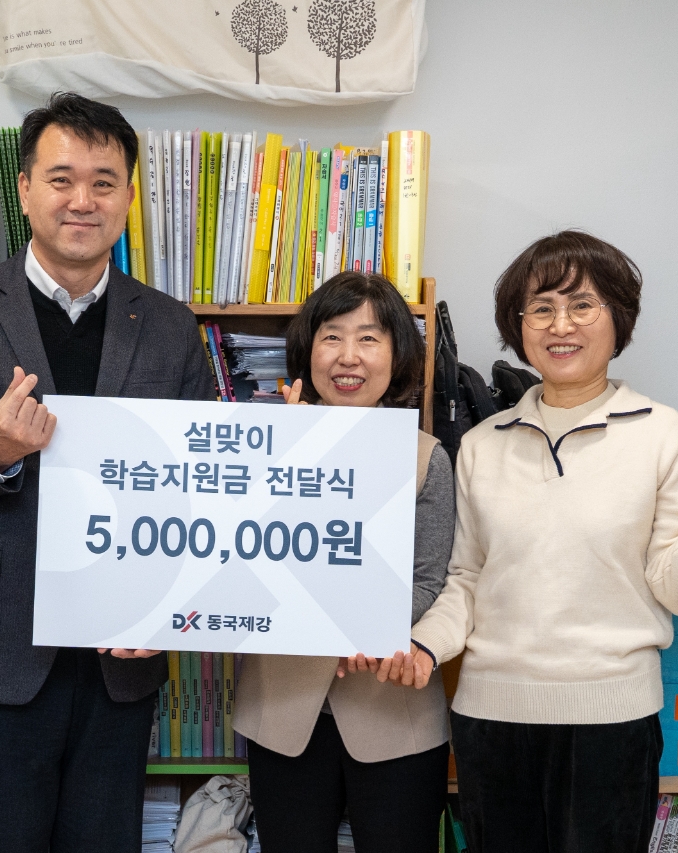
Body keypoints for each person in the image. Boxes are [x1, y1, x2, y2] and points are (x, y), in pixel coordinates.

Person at [0, 92, 216, 853]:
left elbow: (199, 483)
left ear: (128, 197)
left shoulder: (169, 325)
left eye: (104, 182)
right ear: (25, 189)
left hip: (120, 654)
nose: (82, 200)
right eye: (62, 179)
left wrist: (163, 613)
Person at [388, 230, 678, 852]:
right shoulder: (482, 445)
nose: (561, 325)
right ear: (518, 325)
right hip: (490, 721)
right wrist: (423, 644)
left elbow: (677, 590)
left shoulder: (665, 435)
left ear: (618, 318)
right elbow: (466, 580)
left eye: (582, 305)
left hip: (613, 722)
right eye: (541, 308)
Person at [232, 271, 455, 853]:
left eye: (369, 338)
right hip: (281, 711)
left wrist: (363, 626)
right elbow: (236, 565)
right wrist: (284, 460)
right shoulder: (257, 448)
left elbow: (430, 580)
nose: (348, 356)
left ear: (397, 355)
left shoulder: (426, 457)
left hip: (395, 714)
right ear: (308, 350)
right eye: (331, 336)